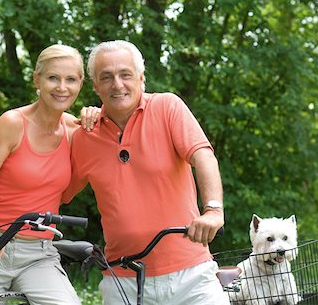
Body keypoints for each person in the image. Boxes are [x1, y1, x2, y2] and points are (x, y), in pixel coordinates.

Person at [62, 40, 229, 304]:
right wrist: (61, 124)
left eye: (125, 74)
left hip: (191, 275)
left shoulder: (167, 107)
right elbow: (58, 192)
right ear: (95, 85)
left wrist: (213, 211)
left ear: (141, 78)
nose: (117, 84)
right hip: (122, 281)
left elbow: (203, 155)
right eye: (106, 77)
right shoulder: (84, 137)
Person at [0, 44, 92, 305]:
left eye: (70, 79)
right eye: (53, 78)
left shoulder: (75, 132)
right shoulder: (12, 124)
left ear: (80, 84)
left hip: (40, 253)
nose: (62, 87)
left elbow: (65, 195)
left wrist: (94, 125)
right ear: (36, 79)